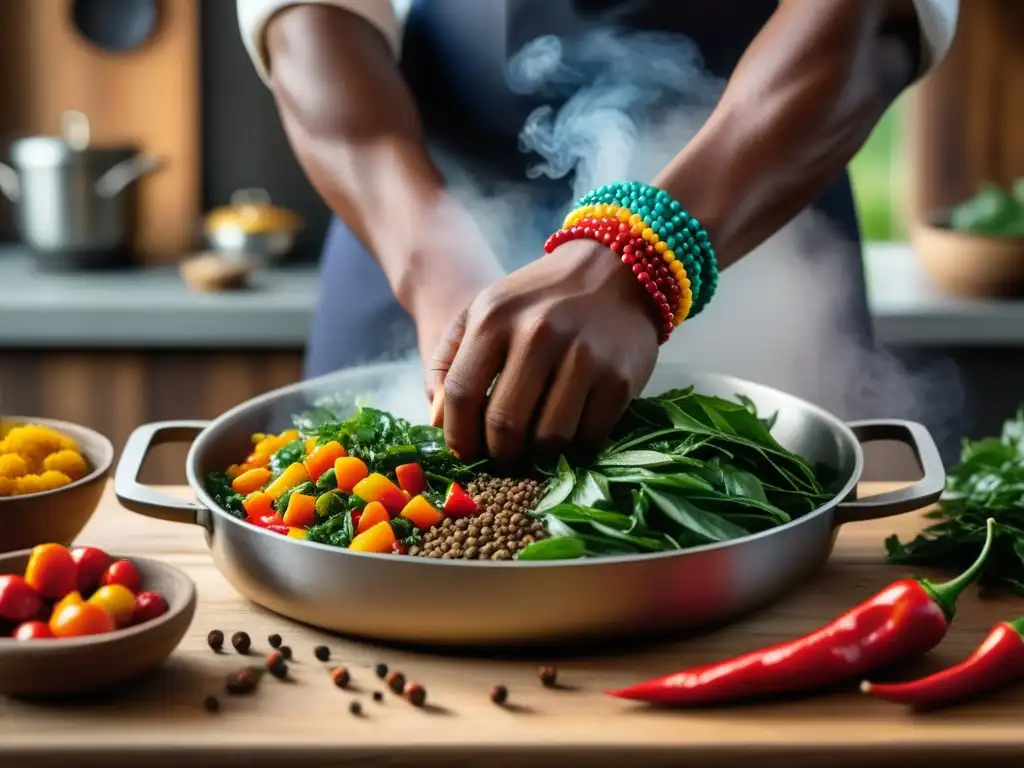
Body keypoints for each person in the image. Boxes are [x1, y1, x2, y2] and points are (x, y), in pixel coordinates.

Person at [237, 0, 958, 462]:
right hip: (408, 221)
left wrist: (638, 255)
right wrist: (438, 268)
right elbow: (307, 20)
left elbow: (874, 17)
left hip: (753, 222)